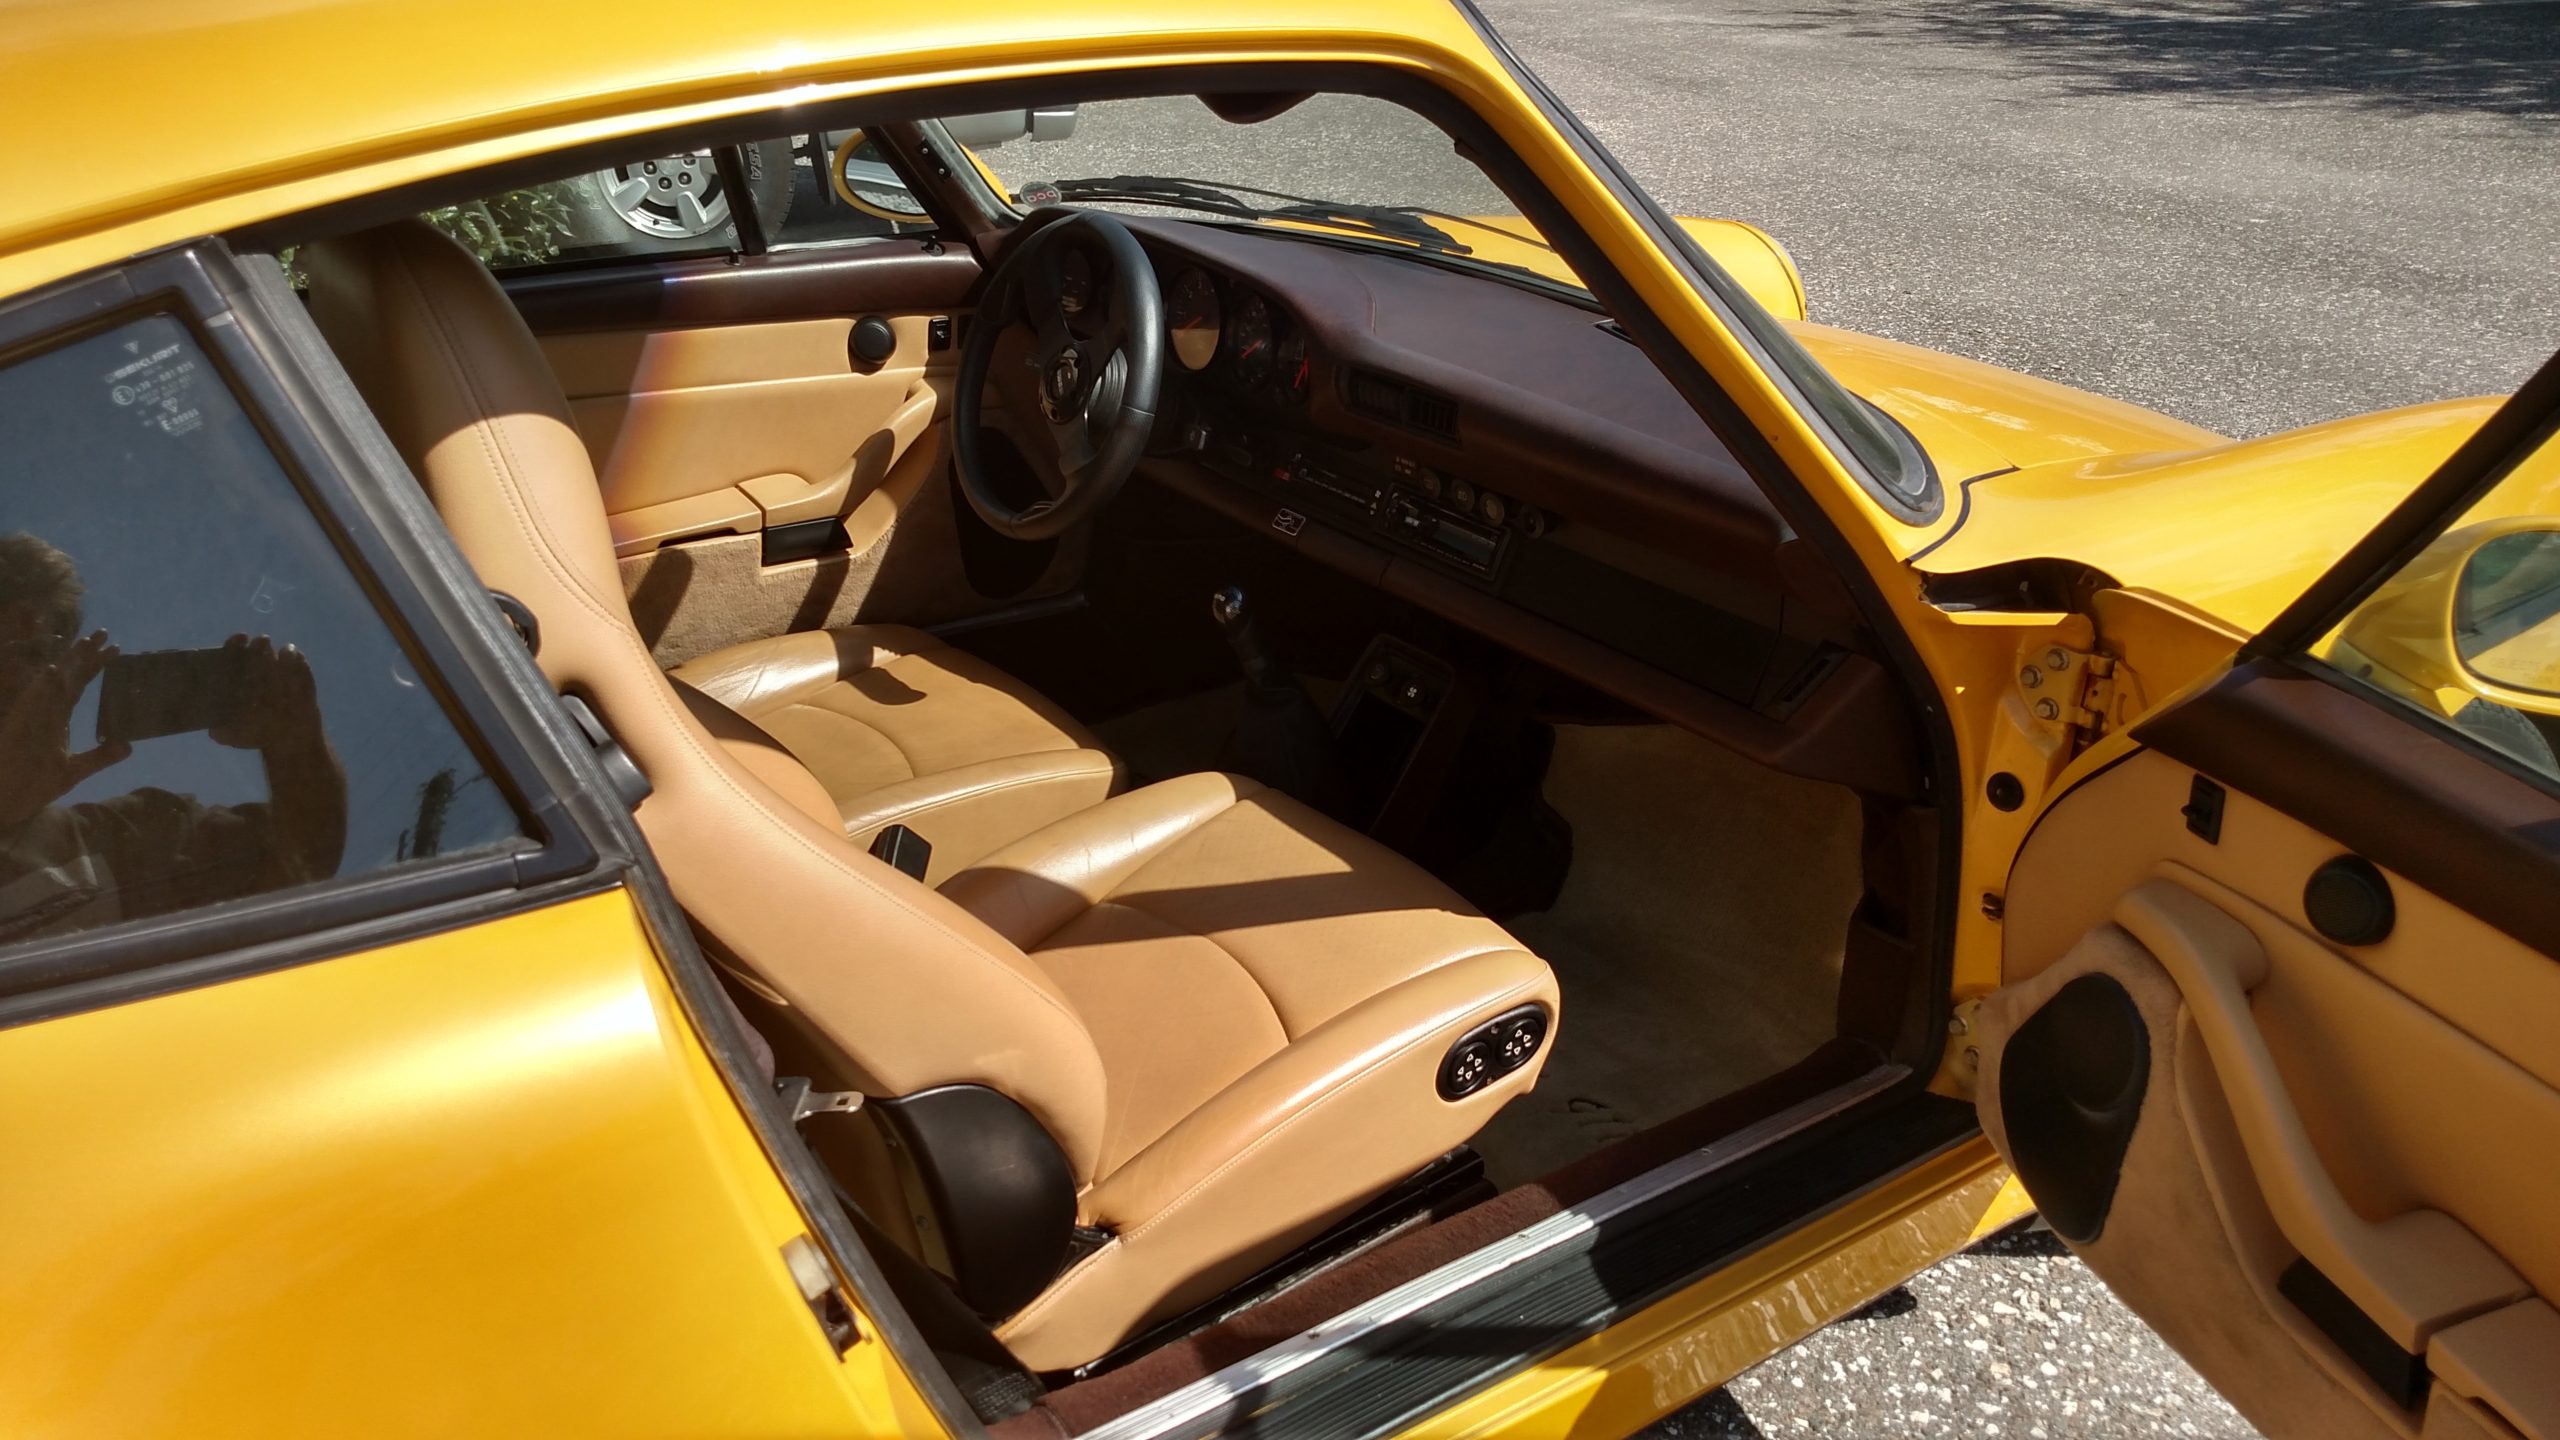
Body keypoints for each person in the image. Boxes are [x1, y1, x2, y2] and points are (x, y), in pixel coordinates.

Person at [0, 533, 346, 943]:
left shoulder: (128, 841)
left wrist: (293, 744)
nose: (19, 674)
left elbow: (300, 866)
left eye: (38, 655)